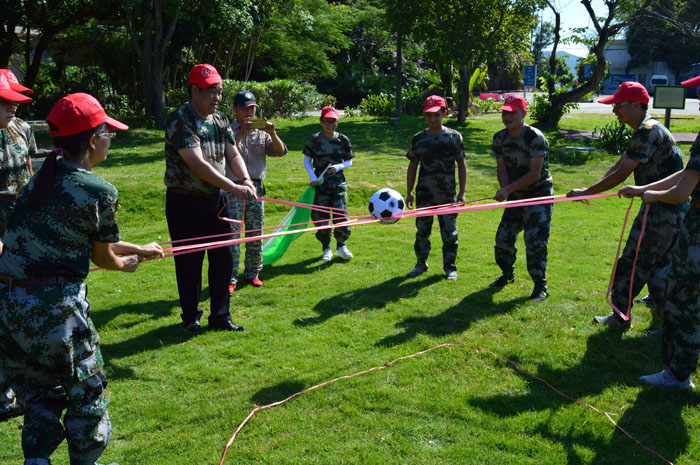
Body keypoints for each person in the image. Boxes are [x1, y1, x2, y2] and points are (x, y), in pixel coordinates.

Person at [0, 92, 163, 465]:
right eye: (108, 132)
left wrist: (139, 248)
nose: (111, 139)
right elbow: (102, 256)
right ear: (92, 141)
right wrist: (126, 264)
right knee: (88, 394)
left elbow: (83, 236)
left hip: (10, 309)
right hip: (55, 314)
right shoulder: (98, 190)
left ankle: (36, 460)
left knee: (40, 395)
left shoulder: (41, 181)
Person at [567, 81, 686, 329]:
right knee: (660, 267)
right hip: (668, 209)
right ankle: (671, 324)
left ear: (635, 105)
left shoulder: (646, 131)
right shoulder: (647, 128)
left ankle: (620, 316)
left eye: (618, 105)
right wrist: (588, 190)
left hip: (661, 211)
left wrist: (586, 192)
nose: (614, 111)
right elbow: (619, 166)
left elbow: (622, 174)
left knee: (632, 263)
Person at [617, 74, 700, 387]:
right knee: (668, 276)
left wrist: (652, 195)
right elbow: (686, 174)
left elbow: (680, 191)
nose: (698, 99)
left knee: (682, 295)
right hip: (678, 214)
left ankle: (678, 372)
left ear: (636, 105)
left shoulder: (649, 131)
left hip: (679, 219)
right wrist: (643, 190)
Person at [165, 64, 256, 333]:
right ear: (194, 90)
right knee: (189, 262)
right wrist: (234, 187)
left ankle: (220, 316)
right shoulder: (180, 120)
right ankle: (191, 317)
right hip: (184, 202)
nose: (217, 97)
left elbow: (233, 153)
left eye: (219, 91)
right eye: (211, 92)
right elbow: (198, 165)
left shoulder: (220, 120)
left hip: (216, 199)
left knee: (224, 257)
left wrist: (246, 179)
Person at [489, 95, 552, 301]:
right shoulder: (500, 138)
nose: (507, 116)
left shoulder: (535, 137)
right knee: (503, 240)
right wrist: (505, 189)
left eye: (512, 112)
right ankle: (507, 274)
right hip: (515, 196)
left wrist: (508, 189)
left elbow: (534, 173)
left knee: (534, 242)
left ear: (523, 113)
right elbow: (501, 168)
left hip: (538, 196)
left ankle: (540, 286)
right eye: (504, 112)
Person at [225, 90, 287, 294]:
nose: (249, 113)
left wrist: (272, 133)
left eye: (252, 108)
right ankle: (230, 277)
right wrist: (241, 133)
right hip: (233, 188)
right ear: (235, 109)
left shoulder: (262, 131)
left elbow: (280, 151)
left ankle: (252, 273)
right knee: (232, 235)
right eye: (245, 108)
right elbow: (226, 153)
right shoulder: (227, 130)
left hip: (256, 187)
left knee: (255, 233)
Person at [0, 69, 34, 423]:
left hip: (20, 225)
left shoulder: (20, 128)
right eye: (6, 102)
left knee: (18, 305)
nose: (14, 107)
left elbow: (27, 170)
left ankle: (17, 387)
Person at [405, 94, 466, 281]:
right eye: (428, 115)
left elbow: (461, 165)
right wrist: (409, 192)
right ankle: (421, 264)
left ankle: (450, 267)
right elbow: (413, 166)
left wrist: (462, 193)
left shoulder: (454, 137)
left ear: (444, 113)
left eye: (436, 115)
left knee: (449, 234)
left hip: (447, 195)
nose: (432, 119)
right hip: (425, 195)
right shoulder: (418, 139)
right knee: (422, 233)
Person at [302, 106, 354, 262]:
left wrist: (338, 167)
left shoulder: (343, 139)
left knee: (341, 214)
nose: (330, 124)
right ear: (321, 121)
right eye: (327, 121)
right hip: (320, 184)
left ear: (338, 122)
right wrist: (312, 176)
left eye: (333, 121)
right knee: (321, 217)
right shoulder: (314, 140)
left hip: (338, 184)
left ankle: (341, 246)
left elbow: (349, 161)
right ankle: (326, 248)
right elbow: (307, 160)